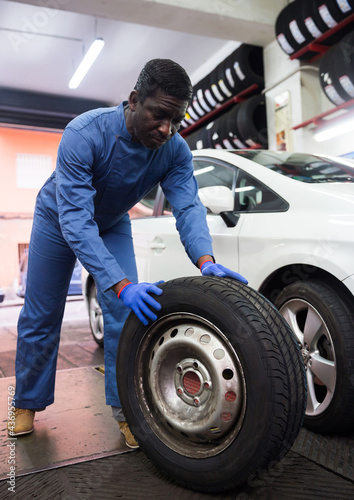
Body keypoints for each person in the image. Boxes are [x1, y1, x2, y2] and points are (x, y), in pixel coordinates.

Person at [8, 59, 247, 448]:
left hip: (113, 220)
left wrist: (206, 259)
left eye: (176, 120)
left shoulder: (174, 150)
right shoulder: (83, 134)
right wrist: (120, 283)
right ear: (135, 100)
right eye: (159, 115)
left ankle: (127, 412)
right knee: (41, 312)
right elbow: (76, 222)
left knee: (124, 313)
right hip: (58, 219)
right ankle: (25, 402)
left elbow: (187, 206)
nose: (166, 129)